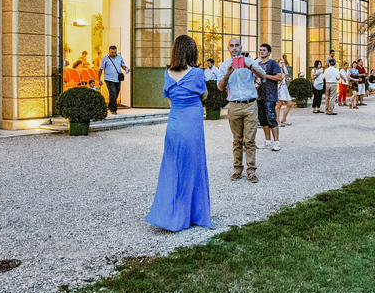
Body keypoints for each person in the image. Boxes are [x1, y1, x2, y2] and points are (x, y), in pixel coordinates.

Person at [145, 35, 211, 231]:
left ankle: (169, 213)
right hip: (192, 124)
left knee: (172, 168)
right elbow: (204, 95)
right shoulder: (197, 73)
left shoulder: (167, 73)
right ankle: (192, 215)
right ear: (192, 52)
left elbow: (170, 100)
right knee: (194, 168)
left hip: (174, 124)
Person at [217, 38, 266, 182]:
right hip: (234, 105)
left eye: (236, 45)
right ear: (228, 48)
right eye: (231, 46)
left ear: (240, 47)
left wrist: (249, 66)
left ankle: (251, 171)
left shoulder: (250, 62)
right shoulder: (224, 65)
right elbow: (220, 87)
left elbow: (263, 76)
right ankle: (237, 169)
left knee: (250, 139)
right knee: (237, 140)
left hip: (250, 104)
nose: (234, 48)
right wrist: (228, 74)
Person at [255, 44, 283, 151]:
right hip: (259, 95)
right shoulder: (257, 64)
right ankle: (267, 141)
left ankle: (276, 142)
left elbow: (279, 77)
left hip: (270, 94)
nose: (261, 52)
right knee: (263, 120)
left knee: (271, 118)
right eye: (260, 50)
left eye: (264, 50)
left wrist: (265, 76)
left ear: (269, 52)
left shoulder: (273, 63)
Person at [98, 45, 129, 114]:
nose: (113, 54)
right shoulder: (105, 59)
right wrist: (99, 79)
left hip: (117, 79)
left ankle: (110, 105)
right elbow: (101, 69)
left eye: (115, 52)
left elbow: (122, 65)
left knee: (117, 92)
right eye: (112, 52)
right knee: (112, 93)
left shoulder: (119, 57)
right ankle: (113, 109)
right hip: (109, 79)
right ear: (109, 51)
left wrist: (126, 69)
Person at [276, 58, 294, 126]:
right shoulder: (277, 71)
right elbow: (278, 81)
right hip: (280, 89)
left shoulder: (282, 70)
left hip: (284, 88)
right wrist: (284, 75)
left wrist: (286, 79)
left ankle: (284, 119)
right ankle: (277, 121)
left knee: (289, 104)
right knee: (279, 105)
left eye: (283, 63)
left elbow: (282, 80)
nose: (282, 64)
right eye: (281, 63)